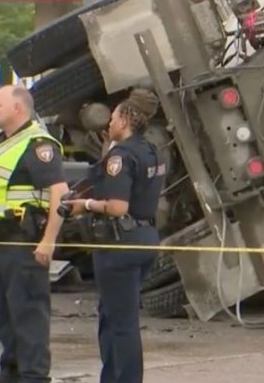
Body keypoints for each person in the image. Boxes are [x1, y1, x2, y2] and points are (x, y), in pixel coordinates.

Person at [65, 89, 165, 383]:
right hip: (145, 236)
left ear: (125, 120)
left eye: (113, 118)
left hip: (119, 243)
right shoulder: (151, 151)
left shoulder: (121, 158)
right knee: (112, 316)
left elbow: (118, 206)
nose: (108, 123)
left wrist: (85, 206)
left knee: (121, 323)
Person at [0, 85, 68, 383]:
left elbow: (59, 194)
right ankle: (10, 371)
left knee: (28, 317)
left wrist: (48, 241)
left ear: (17, 108)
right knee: (5, 315)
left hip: (23, 242)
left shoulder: (37, 144)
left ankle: (33, 376)